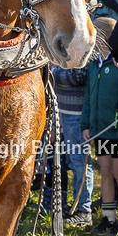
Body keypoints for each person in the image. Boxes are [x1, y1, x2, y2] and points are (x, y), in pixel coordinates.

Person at [81, 17, 118, 236]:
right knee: (105, 171)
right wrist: (85, 123)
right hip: (100, 130)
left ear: (105, 37)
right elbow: (88, 98)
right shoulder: (94, 64)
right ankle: (108, 218)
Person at [52, 64, 93, 226]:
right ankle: (76, 205)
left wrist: (56, 71)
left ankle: (84, 211)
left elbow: (77, 77)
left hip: (77, 115)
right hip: (62, 112)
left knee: (80, 162)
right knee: (71, 162)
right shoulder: (65, 56)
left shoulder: (85, 54)